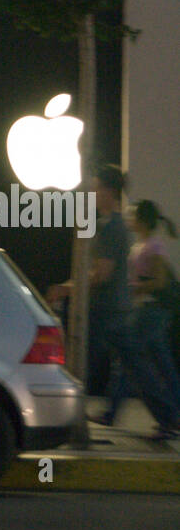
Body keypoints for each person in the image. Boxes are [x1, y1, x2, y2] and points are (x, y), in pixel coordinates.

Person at [48, 166, 179, 440]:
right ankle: (167, 417)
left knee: (77, 360)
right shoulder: (114, 226)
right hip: (116, 309)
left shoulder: (113, 229)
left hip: (106, 309)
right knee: (133, 364)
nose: (93, 194)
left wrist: (67, 289)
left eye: (96, 188)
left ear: (107, 191)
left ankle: (64, 414)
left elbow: (101, 274)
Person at [105, 201, 180, 431]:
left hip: (152, 310)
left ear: (141, 220)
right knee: (160, 363)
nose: (128, 217)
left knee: (132, 359)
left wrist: (137, 289)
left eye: (132, 214)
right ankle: (171, 414)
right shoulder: (141, 245)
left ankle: (116, 411)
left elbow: (160, 281)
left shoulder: (154, 246)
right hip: (146, 310)